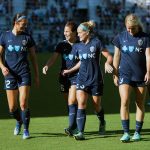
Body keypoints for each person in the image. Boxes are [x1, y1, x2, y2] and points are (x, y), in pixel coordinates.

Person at [62, 20, 113, 140]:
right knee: (81, 103)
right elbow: (80, 61)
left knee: (96, 106)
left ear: (87, 32)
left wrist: (107, 63)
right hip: (82, 79)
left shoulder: (96, 43)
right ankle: (81, 132)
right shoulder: (77, 46)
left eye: (80, 32)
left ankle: (102, 122)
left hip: (95, 80)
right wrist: (69, 71)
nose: (78, 35)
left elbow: (109, 56)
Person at [0, 13, 39, 139]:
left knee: (23, 103)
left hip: (24, 73)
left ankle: (26, 130)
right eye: (23, 24)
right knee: (12, 108)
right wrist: (2, 67)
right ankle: (19, 121)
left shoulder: (27, 38)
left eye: (26, 24)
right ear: (15, 23)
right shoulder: (5, 36)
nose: (25, 27)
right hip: (10, 75)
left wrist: (37, 75)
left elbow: (33, 58)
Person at [113, 14, 150, 142]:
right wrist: (115, 73)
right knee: (124, 101)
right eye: (128, 28)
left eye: (133, 28)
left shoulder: (145, 38)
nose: (130, 31)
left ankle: (137, 132)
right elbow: (116, 56)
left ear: (137, 26)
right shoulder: (120, 37)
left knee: (140, 103)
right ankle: (126, 132)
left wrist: (148, 72)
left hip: (140, 75)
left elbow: (148, 56)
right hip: (125, 74)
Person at [42, 21, 79, 136]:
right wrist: (47, 65)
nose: (65, 33)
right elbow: (53, 58)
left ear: (74, 33)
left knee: (72, 100)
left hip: (77, 76)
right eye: (64, 31)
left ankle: (72, 127)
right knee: (69, 102)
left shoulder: (81, 44)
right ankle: (75, 124)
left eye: (67, 31)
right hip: (64, 77)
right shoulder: (61, 45)